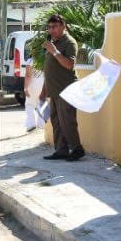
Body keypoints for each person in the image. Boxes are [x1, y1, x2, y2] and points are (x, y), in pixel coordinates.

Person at [40, 14, 84, 161]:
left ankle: (77, 149)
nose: (51, 30)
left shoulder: (69, 42)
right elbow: (49, 68)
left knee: (67, 121)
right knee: (56, 121)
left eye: (54, 26)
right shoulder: (53, 42)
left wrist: (54, 51)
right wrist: (44, 90)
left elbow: (69, 65)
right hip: (54, 91)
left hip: (67, 89)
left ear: (63, 26)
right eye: (49, 27)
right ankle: (61, 150)